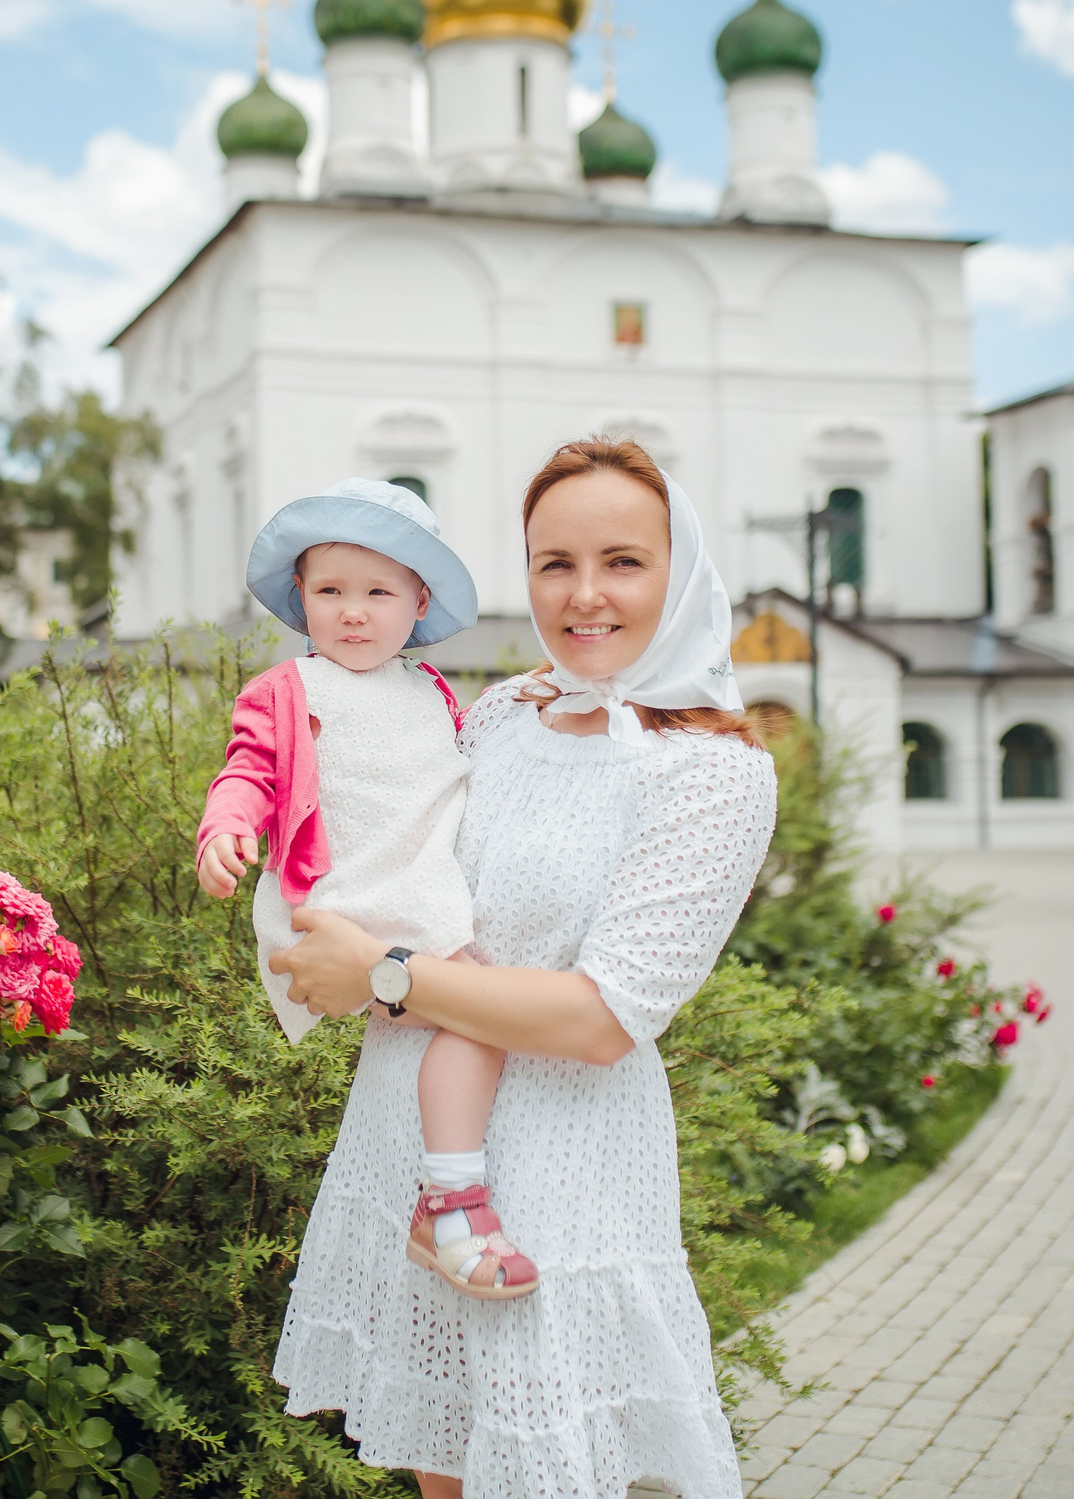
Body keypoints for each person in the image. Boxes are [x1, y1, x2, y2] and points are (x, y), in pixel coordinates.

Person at [267, 439, 777, 1499]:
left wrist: (383, 973)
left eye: (622, 562)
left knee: (546, 1468)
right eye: (553, 563)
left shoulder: (713, 774)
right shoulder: (497, 714)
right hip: (412, 1145)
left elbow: (601, 1019)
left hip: (562, 1172)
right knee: (441, 1471)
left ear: (680, 572)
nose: (584, 594)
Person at [194, 479, 539, 1298]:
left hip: (414, 902)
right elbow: (246, 769)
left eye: (378, 592)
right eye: (330, 591)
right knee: (479, 1011)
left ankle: (452, 1191)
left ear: (418, 602)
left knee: (476, 1010)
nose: (353, 611)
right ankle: (452, 1205)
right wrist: (225, 826)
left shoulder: (432, 694)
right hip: (338, 908)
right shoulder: (292, 690)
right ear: (300, 599)